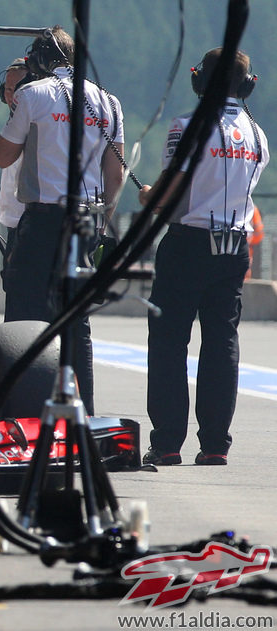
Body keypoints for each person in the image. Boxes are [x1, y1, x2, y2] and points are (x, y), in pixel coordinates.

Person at [138, 47, 269, 466]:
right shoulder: (258, 135)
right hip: (234, 247)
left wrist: (148, 197)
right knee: (221, 342)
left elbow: (170, 191)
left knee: (168, 342)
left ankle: (168, 442)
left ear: (200, 81)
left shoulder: (186, 127)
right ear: (247, 85)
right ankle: (215, 444)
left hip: (188, 242)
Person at [0, 26, 126, 416]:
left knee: (23, 319)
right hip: (86, 221)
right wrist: (102, 227)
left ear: (38, 61)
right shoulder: (107, 101)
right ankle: (82, 412)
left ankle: (19, 413)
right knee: (77, 323)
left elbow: (3, 156)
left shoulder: (32, 94)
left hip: (42, 220)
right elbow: (115, 173)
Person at [0, 58, 32, 262]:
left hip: (27, 226)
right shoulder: (12, 126)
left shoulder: (34, 125)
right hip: (13, 226)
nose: (11, 96)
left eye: (17, 90)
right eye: (7, 90)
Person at [246, 204, 264, 280]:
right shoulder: (252, 208)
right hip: (246, 246)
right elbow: (259, 232)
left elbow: (259, 232)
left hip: (227, 245)